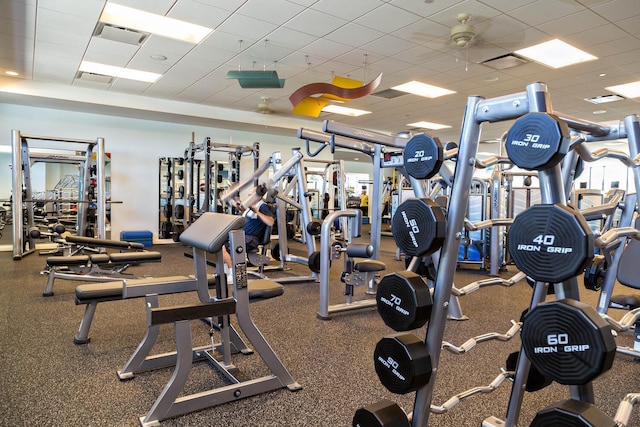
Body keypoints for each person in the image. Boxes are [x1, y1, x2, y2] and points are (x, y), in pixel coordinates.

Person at [222, 189, 275, 268]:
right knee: (221, 243)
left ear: (258, 196)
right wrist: (237, 205)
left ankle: (232, 273)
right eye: (249, 195)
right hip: (243, 236)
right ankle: (230, 271)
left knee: (224, 246)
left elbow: (271, 222)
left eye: (251, 195)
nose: (249, 197)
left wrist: (257, 211)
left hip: (250, 239)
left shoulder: (262, 206)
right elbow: (247, 214)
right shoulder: (253, 206)